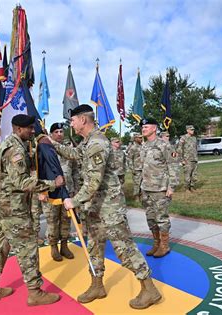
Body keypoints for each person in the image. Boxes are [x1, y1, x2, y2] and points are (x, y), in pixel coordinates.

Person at [54, 104, 162, 310]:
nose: (71, 124)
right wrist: (51, 143)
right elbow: (74, 154)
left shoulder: (97, 143)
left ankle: (150, 289)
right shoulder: (87, 142)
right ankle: (97, 285)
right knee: (94, 247)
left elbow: (94, 181)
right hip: (95, 207)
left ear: (83, 120)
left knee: (124, 248)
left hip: (109, 207)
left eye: (73, 120)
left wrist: (73, 201)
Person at [0, 114, 64, 306]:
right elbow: (21, 182)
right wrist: (53, 184)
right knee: (27, 247)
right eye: (29, 128)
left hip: (0, 206)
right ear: (19, 129)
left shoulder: (13, 144)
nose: (33, 131)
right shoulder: (14, 149)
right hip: (13, 207)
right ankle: (35, 292)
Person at [138, 118, 179, 258]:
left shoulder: (164, 145)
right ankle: (156, 243)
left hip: (160, 188)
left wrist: (171, 186)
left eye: (146, 127)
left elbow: (173, 166)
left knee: (161, 218)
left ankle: (164, 246)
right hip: (146, 188)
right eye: (142, 127)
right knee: (150, 218)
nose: (143, 129)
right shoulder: (143, 146)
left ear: (154, 128)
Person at [39, 122, 74, 261]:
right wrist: (40, 191)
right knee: (52, 221)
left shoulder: (67, 149)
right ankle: (53, 247)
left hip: (67, 191)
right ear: (51, 134)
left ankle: (64, 245)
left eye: (61, 131)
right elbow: (37, 171)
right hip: (50, 192)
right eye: (56, 132)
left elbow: (75, 172)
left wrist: (74, 190)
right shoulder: (44, 148)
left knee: (66, 220)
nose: (59, 134)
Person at [177, 125, 198, 192]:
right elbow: (179, 149)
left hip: (194, 159)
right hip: (187, 160)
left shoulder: (194, 138)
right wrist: (181, 160)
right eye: (191, 129)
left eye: (193, 129)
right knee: (187, 175)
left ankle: (192, 187)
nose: (193, 131)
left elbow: (195, 148)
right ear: (187, 130)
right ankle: (186, 188)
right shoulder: (183, 138)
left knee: (194, 175)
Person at [127, 133, 143, 198]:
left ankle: (141, 196)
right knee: (137, 183)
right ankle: (136, 197)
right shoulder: (133, 148)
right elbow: (129, 158)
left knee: (143, 183)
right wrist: (132, 168)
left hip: (143, 168)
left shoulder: (142, 146)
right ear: (135, 139)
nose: (141, 139)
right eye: (139, 138)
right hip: (137, 169)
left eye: (141, 138)